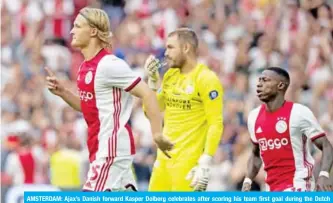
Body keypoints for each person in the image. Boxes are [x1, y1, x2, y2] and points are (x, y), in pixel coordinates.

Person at [45, 7, 173, 192]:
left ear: (93, 31)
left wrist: (157, 134)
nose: (72, 31)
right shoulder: (84, 68)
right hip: (101, 150)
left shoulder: (109, 65)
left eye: (77, 26)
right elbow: (89, 108)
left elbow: (147, 93)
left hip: (110, 150)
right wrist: (64, 92)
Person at [144, 28, 224, 191]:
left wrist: (206, 161)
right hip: (163, 161)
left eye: (170, 47)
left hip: (188, 164)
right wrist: (152, 82)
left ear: (186, 48)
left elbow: (216, 123)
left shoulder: (206, 79)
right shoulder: (170, 75)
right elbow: (150, 111)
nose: (166, 53)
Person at [242, 67, 333, 192]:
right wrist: (248, 180)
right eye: (259, 80)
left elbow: (326, 145)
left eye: (265, 80)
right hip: (270, 188)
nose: (259, 84)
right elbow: (256, 154)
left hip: (298, 185)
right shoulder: (253, 117)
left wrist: (324, 175)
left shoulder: (299, 113)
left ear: (280, 85)